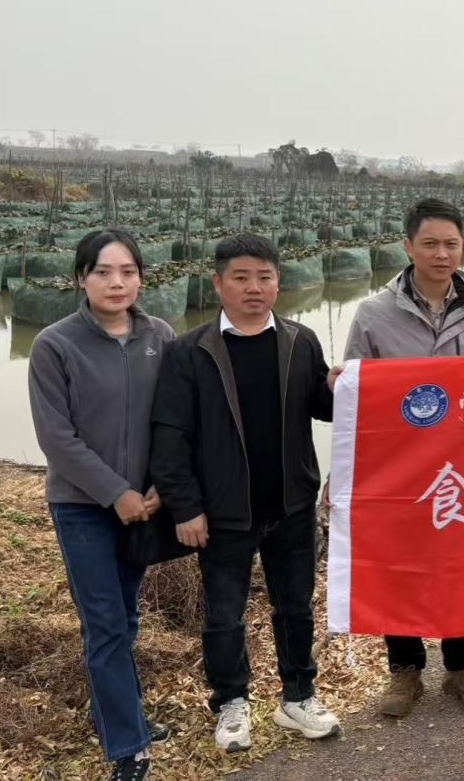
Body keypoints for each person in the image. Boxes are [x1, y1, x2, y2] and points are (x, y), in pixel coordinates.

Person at [150, 235, 343, 754]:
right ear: (218, 283)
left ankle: (298, 696)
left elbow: (322, 407)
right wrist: (186, 507)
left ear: (278, 283)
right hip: (223, 512)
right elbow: (170, 438)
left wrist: (339, 385)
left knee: (295, 606)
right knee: (224, 614)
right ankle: (231, 701)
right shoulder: (189, 352)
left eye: (264, 277)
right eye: (241, 278)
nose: (254, 288)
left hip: (291, 505)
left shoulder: (300, 341)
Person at [343, 197, 464, 718]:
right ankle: (405, 669)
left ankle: (463, 667)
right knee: (400, 563)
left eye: (451, 244)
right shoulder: (374, 313)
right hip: (399, 463)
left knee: (460, 560)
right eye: (430, 244)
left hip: (462, 461)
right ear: (408, 246)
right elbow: (356, 392)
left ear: (463, 247)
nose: (441, 254)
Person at [28, 230, 175, 781]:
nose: (117, 283)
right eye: (103, 272)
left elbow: (175, 417)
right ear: (80, 278)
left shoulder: (160, 335)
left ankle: (118, 711)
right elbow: (57, 438)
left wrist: (161, 486)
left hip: (145, 505)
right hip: (83, 506)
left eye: (128, 272)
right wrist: (116, 493)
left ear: (141, 278)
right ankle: (128, 746)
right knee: (106, 623)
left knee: (127, 614)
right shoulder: (54, 345)